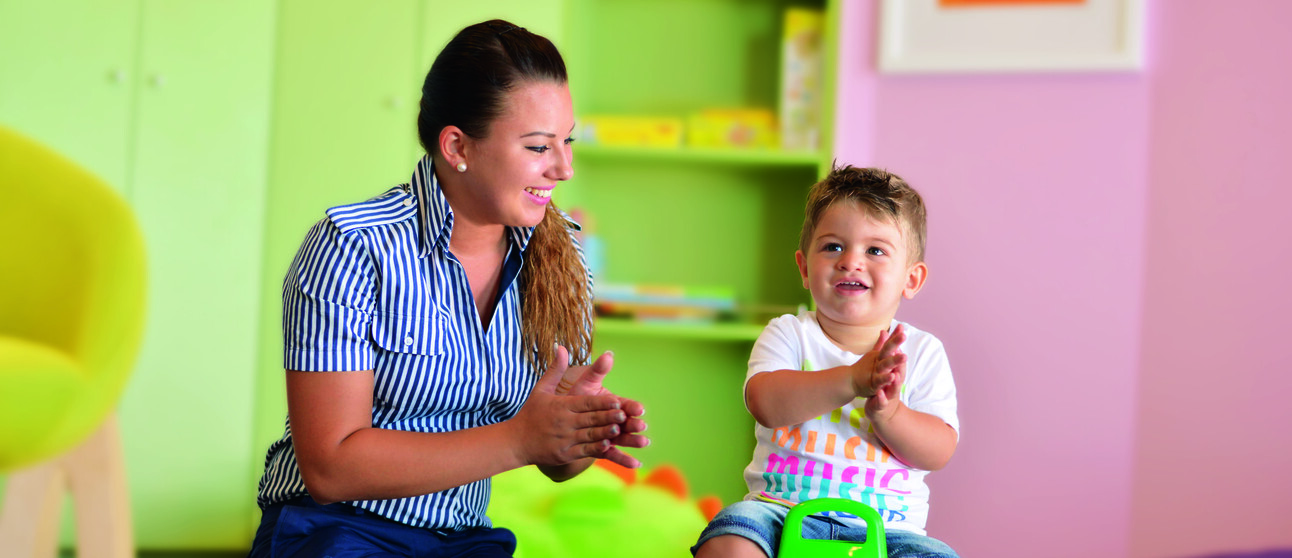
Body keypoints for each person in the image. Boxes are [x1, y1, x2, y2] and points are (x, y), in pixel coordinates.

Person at [248, 19, 649, 558]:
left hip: (461, 540)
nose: (564, 168)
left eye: (567, 141)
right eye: (538, 146)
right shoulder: (352, 247)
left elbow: (556, 463)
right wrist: (518, 440)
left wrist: (577, 432)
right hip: (336, 531)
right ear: (458, 146)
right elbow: (330, 467)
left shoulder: (563, 260)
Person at [692, 165, 960, 558]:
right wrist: (853, 379)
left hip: (889, 530)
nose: (851, 261)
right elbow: (765, 403)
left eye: (875, 250)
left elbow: (938, 451)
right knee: (729, 539)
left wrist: (890, 414)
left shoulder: (921, 352)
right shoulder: (788, 334)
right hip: (778, 512)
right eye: (833, 246)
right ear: (804, 267)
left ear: (911, 279)